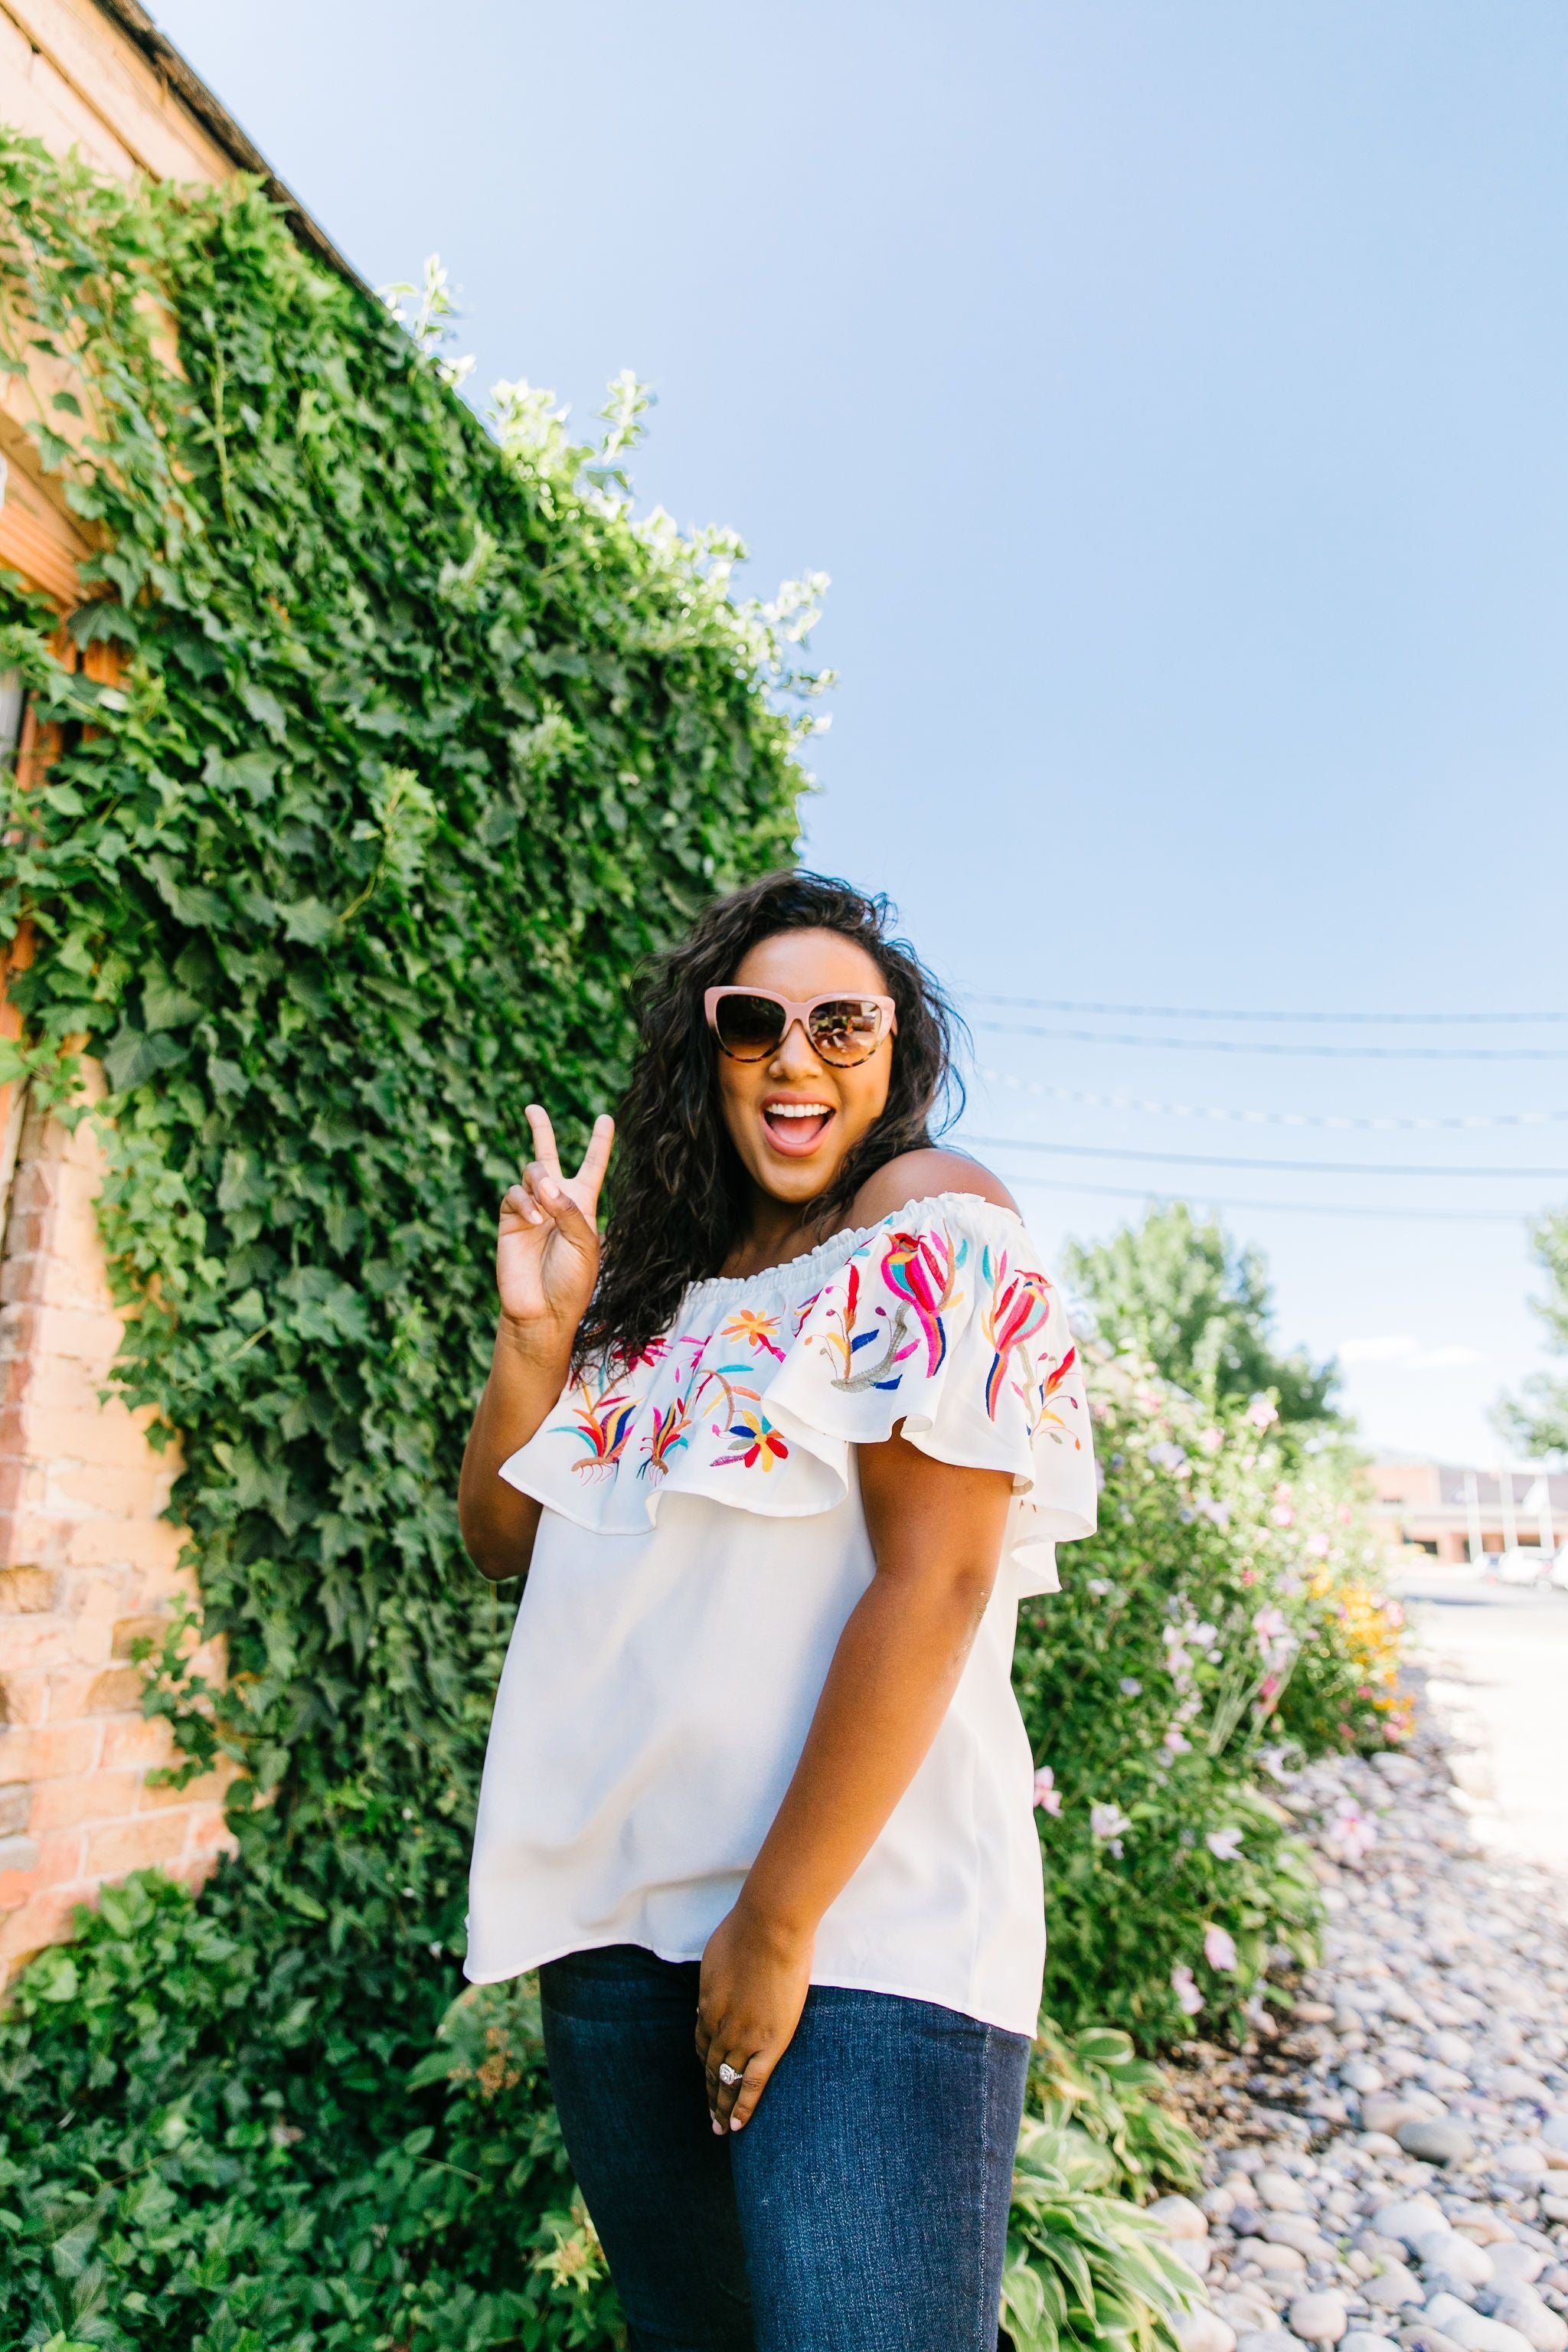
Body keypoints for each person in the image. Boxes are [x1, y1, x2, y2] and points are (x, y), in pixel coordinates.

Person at [459, 871, 1096, 2352]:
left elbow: (935, 1578)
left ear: (896, 1050)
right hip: (617, 1936)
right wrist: (538, 1335)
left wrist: (778, 1916)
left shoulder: (929, 1216)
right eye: (756, 1022)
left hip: (857, 1933)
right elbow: (501, 1534)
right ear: (712, 1050)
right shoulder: (652, 1302)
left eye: (840, 1021)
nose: (796, 1056)